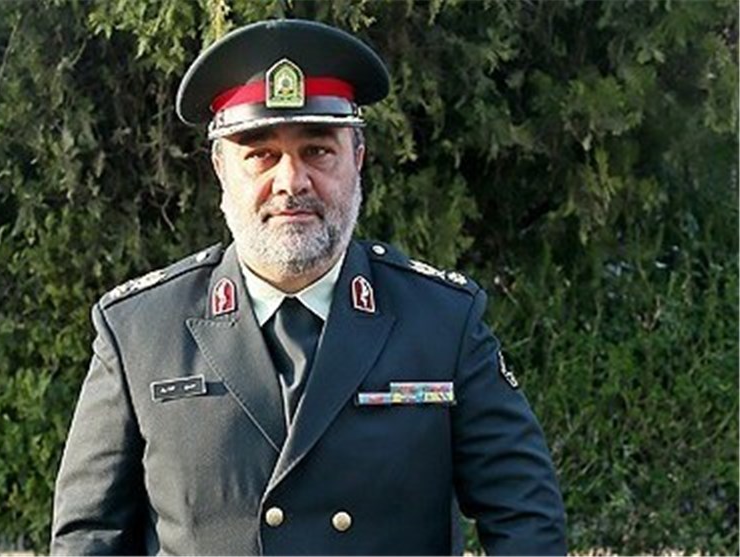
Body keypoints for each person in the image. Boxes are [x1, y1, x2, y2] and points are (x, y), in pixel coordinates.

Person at [51, 18, 566, 556]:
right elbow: (90, 538)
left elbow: (526, 518)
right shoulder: (140, 333)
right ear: (221, 168)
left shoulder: (442, 323)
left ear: (357, 159)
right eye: (261, 155)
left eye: (317, 150)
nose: (291, 182)